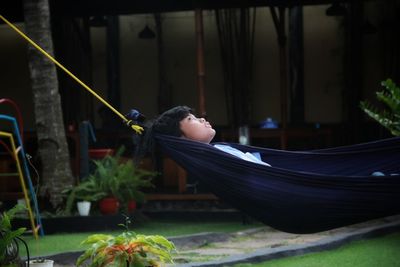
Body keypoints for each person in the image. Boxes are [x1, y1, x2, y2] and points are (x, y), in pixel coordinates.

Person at [135, 106, 270, 166]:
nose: (202, 119)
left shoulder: (218, 149)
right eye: (190, 119)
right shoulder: (210, 160)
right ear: (179, 138)